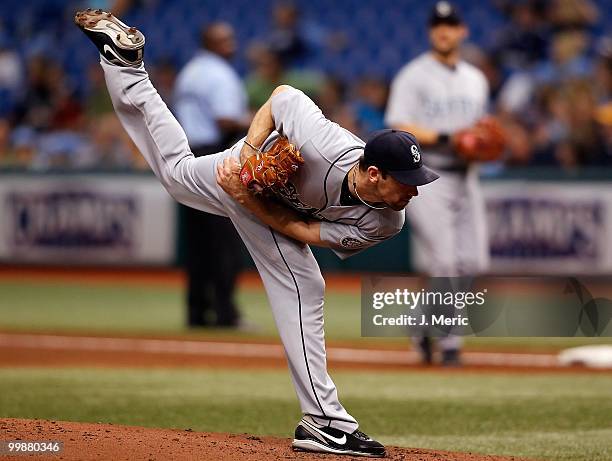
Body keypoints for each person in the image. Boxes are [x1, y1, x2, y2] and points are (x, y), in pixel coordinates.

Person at [75, 8, 439, 457]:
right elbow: (281, 95)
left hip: (261, 201)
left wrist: (249, 201)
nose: (415, 191)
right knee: (298, 281)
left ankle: (125, 66)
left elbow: (304, 231)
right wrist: (248, 157)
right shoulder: (323, 143)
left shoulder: (388, 220)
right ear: (376, 173)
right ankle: (324, 421)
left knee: (179, 178)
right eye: (408, 181)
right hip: (245, 167)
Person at [385, 1, 491, 366]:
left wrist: (482, 142)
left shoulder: (476, 79)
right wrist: (447, 137)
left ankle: (420, 325)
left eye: (450, 25)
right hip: (427, 175)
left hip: (467, 175)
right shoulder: (412, 76)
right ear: (431, 32)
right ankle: (450, 345)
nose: (443, 31)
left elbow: (481, 131)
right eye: (437, 25)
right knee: (445, 261)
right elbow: (399, 124)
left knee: (474, 261)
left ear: (463, 31)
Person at [173, 22, 249, 328]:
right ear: (211, 43)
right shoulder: (220, 74)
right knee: (223, 239)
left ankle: (196, 312)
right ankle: (225, 313)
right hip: (214, 156)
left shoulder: (189, 71)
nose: (231, 45)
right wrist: (259, 118)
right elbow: (225, 120)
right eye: (225, 40)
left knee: (198, 243)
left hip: (185, 156)